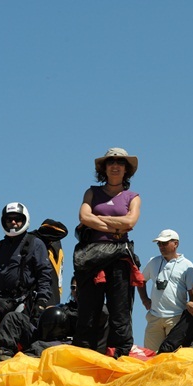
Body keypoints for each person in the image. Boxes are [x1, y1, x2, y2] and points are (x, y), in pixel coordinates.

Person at [73, 147, 143, 358]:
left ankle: (120, 356)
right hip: (92, 258)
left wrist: (99, 221)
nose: (115, 166)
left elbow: (131, 222)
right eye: (111, 162)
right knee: (88, 311)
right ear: (104, 168)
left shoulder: (133, 197)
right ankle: (84, 357)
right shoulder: (92, 192)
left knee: (120, 311)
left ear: (126, 170)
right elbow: (84, 217)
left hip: (119, 257)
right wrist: (116, 227)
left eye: (120, 162)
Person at [0, 202, 52, 362]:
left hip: (22, 306)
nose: (13, 223)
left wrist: (41, 302)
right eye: (9, 219)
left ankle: (4, 357)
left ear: (25, 220)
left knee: (11, 320)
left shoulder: (34, 244)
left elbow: (45, 275)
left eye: (17, 219)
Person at [137, 229, 193, 352]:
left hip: (176, 318)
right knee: (150, 356)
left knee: (173, 356)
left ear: (176, 244)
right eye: (159, 243)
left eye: (165, 243)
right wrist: (144, 300)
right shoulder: (154, 261)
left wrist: (188, 319)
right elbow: (141, 280)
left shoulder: (187, 265)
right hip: (154, 317)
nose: (161, 246)